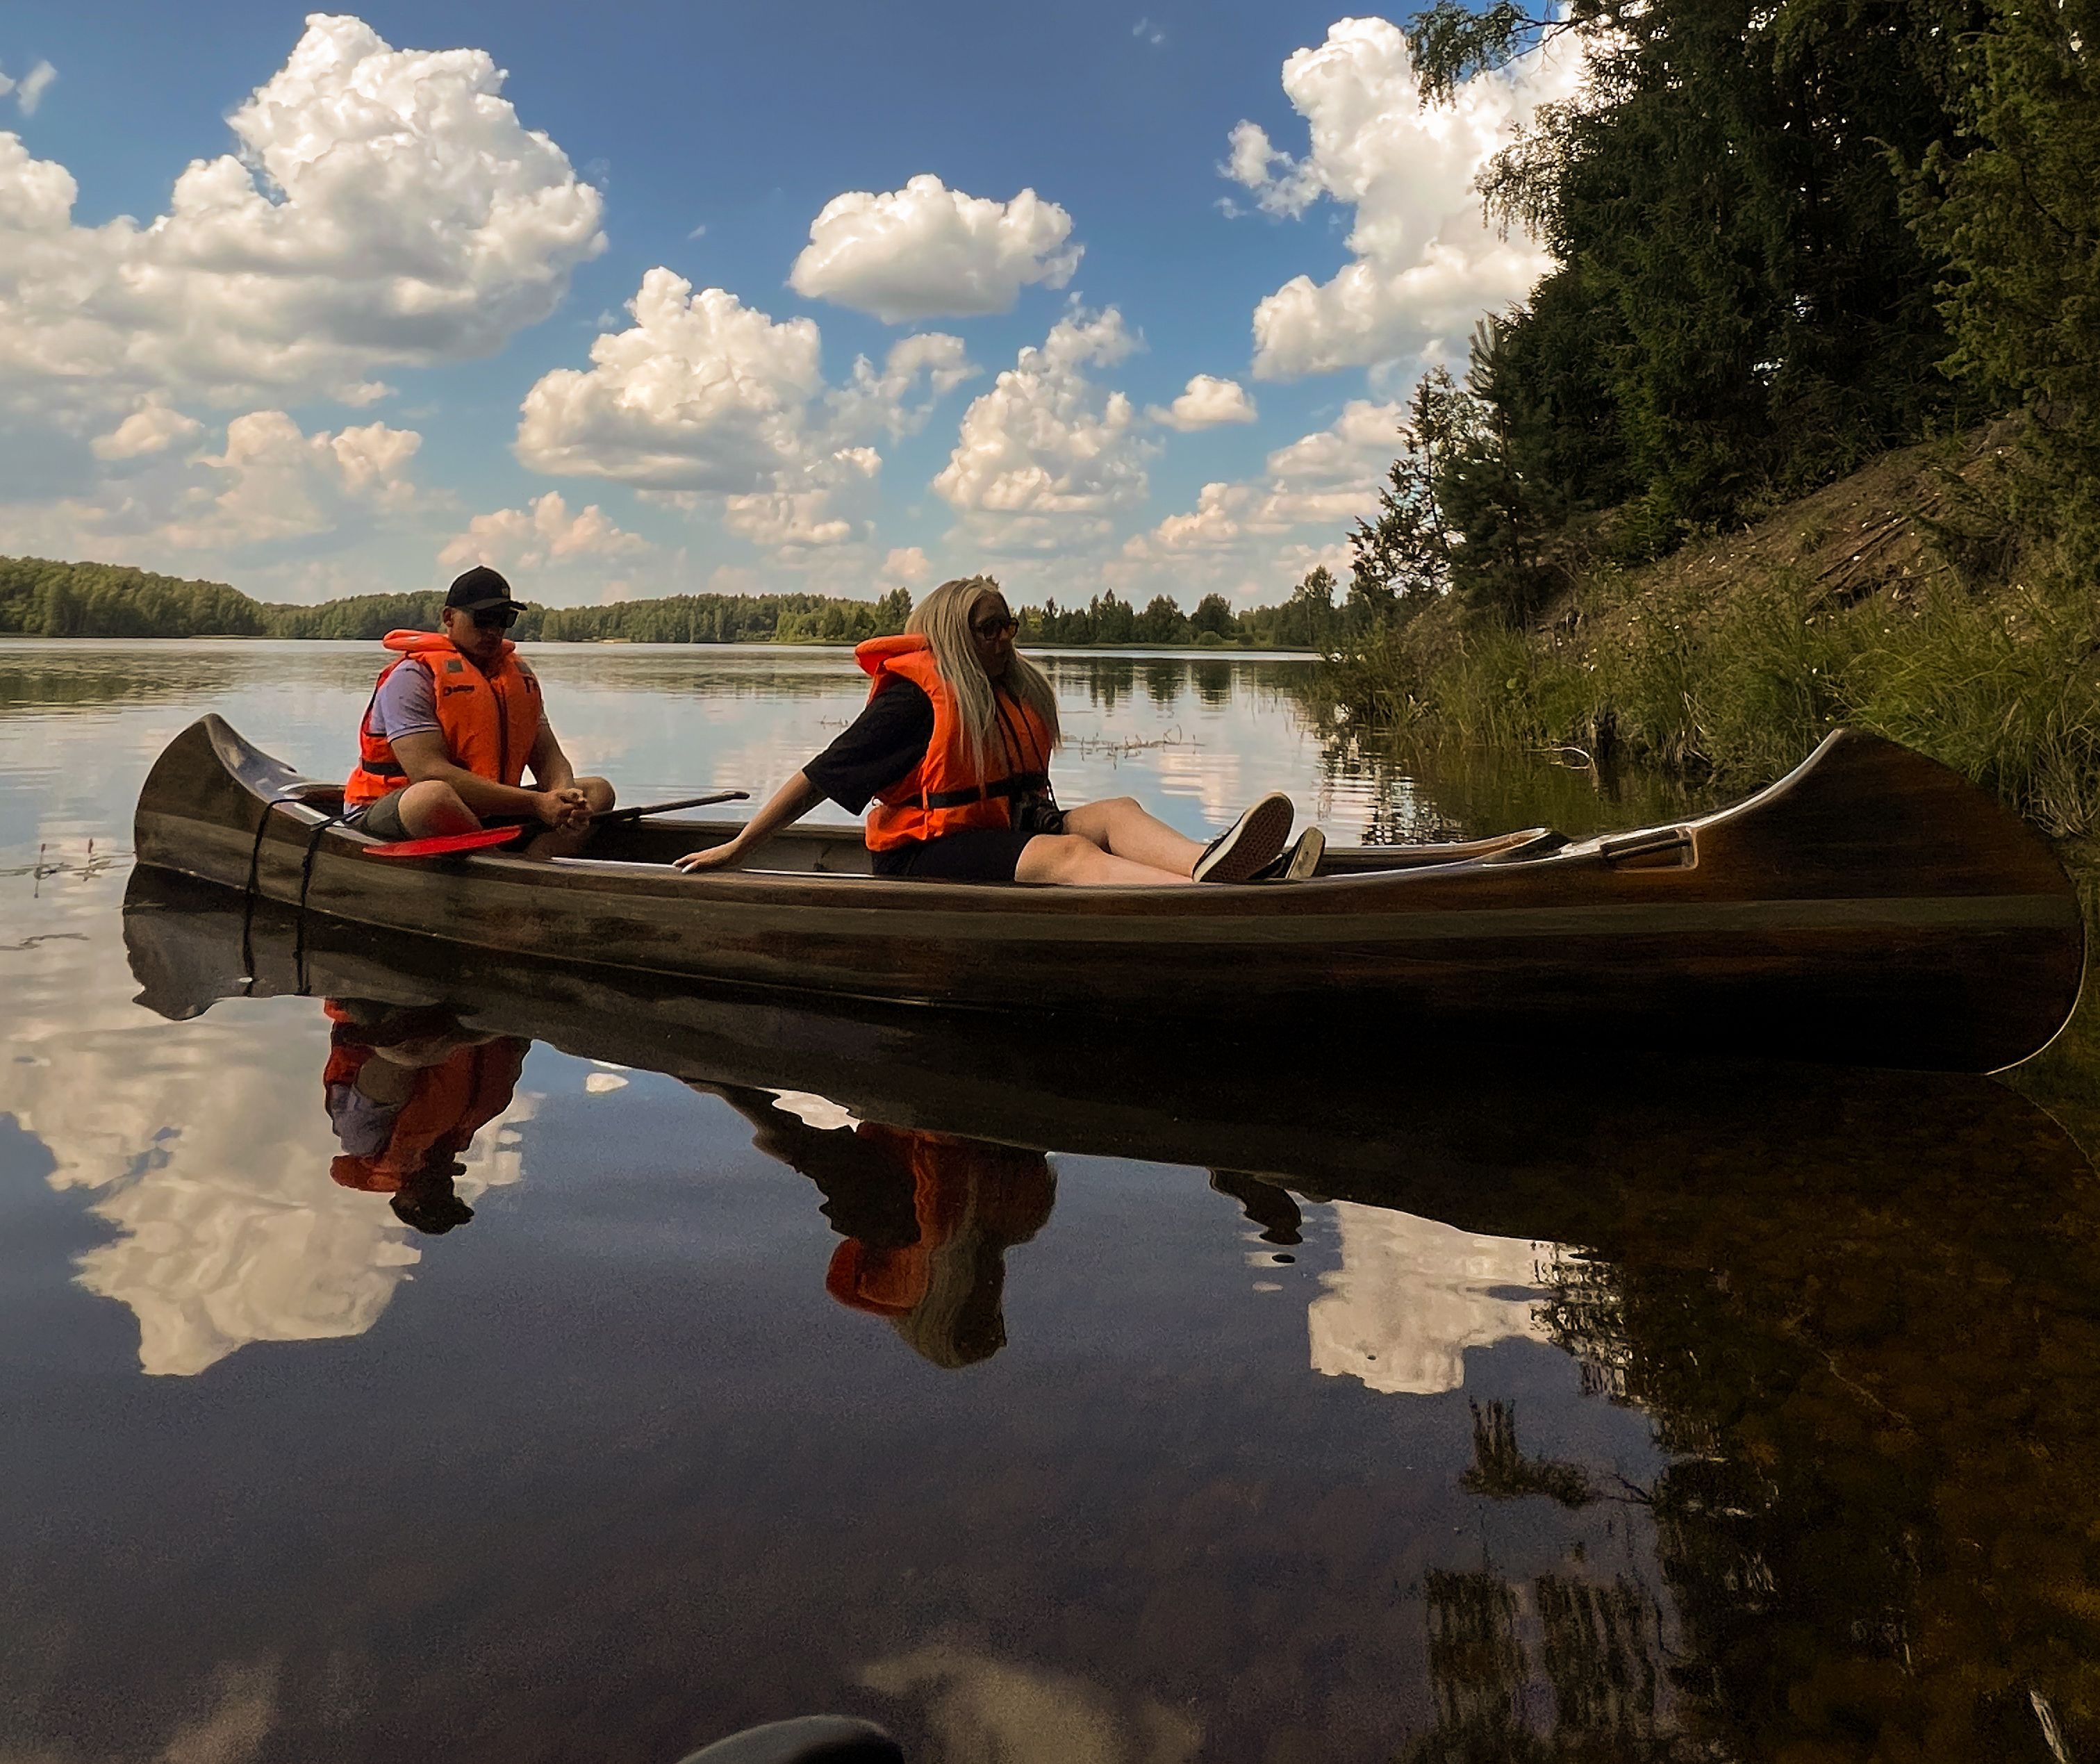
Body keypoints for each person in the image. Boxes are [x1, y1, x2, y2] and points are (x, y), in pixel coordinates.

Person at [674, 575, 1323, 885]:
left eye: (1009, 624)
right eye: (990, 628)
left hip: (994, 833)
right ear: (957, 635)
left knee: (1115, 810)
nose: (1005, 637)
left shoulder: (1002, 689)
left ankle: (1220, 873)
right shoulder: (914, 700)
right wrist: (738, 849)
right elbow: (818, 778)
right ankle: (1215, 904)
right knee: (1068, 855)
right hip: (918, 858)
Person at [342, 566, 615, 857]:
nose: (493, 630)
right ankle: (500, 866)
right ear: (449, 617)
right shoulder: (412, 676)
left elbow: (549, 756)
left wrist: (564, 797)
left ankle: (535, 864)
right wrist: (537, 804)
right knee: (432, 796)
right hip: (394, 807)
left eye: (503, 619)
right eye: (483, 618)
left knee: (597, 791)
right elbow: (427, 772)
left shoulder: (516, 679)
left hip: (485, 809)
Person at [320, 999, 529, 1236]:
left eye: (431, 1199)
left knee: (402, 1058)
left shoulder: (368, 1144)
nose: (444, 1190)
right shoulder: (469, 1122)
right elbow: (517, 1048)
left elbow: (392, 1063)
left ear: (405, 1200)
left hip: (397, 1005)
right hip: (487, 1008)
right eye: (449, 1197)